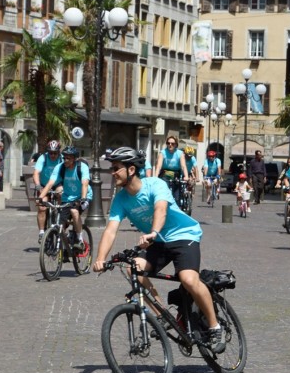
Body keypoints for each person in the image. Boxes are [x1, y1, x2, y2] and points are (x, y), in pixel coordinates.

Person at [92, 147, 226, 353]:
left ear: (131, 170)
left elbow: (160, 209)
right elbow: (111, 230)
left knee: (188, 279)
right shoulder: (120, 199)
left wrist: (153, 232)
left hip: (183, 236)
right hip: (159, 242)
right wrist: (100, 259)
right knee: (133, 269)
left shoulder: (155, 184)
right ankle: (163, 314)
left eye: (116, 168)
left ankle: (215, 326)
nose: (112, 173)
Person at [38, 146, 90, 251]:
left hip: (82, 196)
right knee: (61, 224)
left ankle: (80, 240)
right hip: (67, 197)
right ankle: (65, 247)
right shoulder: (60, 167)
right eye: (64, 157)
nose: (65, 160)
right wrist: (40, 198)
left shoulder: (82, 167)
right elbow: (50, 183)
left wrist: (83, 199)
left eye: (68, 158)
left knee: (74, 211)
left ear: (75, 159)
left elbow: (85, 184)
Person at [33, 140, 63, 243]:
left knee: (61, 193)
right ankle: (41, 232)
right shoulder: (43, 158)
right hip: (44, 185)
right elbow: (36, 173)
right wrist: (37, 185)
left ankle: (60, 218)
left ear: (59, 152)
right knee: (41, 207)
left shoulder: (62, 158)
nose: (53, 155)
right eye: (51, 153)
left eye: (55, 153)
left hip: (57, 184)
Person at [155, 135, 188, 207]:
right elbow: (159, 166)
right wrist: (155, 177)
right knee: (164, 188)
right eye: (168, 143)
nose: (170, 145)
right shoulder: (162, 152)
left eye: (172, 143)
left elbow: (183, 166)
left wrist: (186, 176)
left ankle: (177, 206)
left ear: (176, 144)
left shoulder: (180, 153)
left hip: (176, 173)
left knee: (177, 194)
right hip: (165, 173)